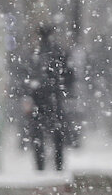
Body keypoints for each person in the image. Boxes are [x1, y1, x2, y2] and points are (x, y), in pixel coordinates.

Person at [22, 24, 74, 172]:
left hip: (38, 100)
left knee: (38, 136)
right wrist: (62, 90)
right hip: (55, 99)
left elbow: (26, 76)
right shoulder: (59, 52)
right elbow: (69, 76)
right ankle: (58, 165)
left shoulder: (34, 54)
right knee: (57, 135)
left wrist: (29, 93)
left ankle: (40, 167)